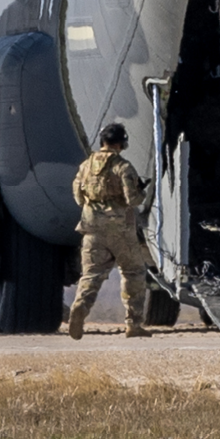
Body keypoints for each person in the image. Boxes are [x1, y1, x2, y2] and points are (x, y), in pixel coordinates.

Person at [66, 121, 153, 340]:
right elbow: (133, 200)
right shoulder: (123, 167)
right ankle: (133, 323)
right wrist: (141, 192)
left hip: (92, 228)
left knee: (92, 274)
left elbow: (78, 197)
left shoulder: (85, 166)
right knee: (133, 272)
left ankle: (80, 308)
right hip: (120, 229)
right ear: (121, 143)